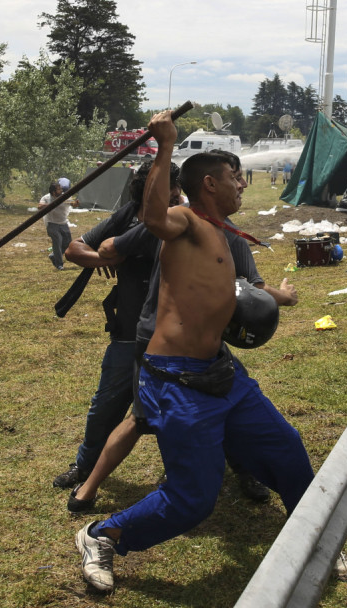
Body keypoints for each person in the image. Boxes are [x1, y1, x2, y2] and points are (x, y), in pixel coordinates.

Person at [74, 111, 339, 592]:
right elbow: (153, 216)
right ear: (211, 184)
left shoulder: (224, 233)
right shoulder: (186, 222)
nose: (243, 184)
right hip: (176, 379)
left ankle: (317, 539)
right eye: (236, 178)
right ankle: (102, 534)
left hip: (219, 370)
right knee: (193, 499)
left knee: (285, 448)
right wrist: (167, 147)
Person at [66, 150, 276, 512]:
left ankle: (243, 471)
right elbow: (94, 246)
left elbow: (250, 286)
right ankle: (85, 472)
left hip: (197, 341)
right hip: (141, 335)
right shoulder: (149, 223)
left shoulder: (219, 232)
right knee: (120, 411)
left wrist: (274, 296)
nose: (240, 185)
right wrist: (107, 259)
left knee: (210, 408)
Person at [51, 162, 178, 492]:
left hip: (177, 335)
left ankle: (224, 470)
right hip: (128, 331)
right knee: (105, 406)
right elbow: (74, 248)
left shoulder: (184, 218)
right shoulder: (129, 215)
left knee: (190, 407)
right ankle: (84, 465)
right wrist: (104, 259)